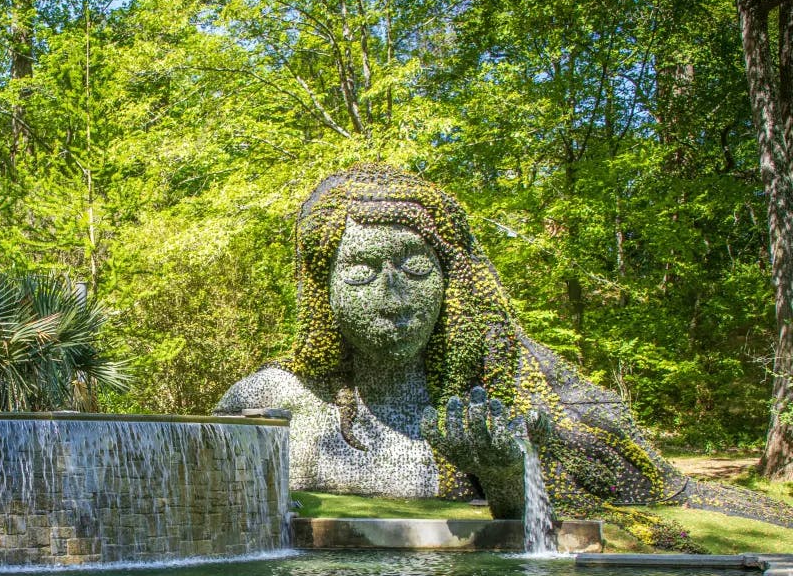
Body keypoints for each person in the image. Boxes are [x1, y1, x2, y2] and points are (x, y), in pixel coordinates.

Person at [215, 164, 789, 533]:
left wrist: (503, 473)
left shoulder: (501, 391)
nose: (392, 296)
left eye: (415, 269)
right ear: (323, 288)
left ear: (451, 282)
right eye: (362, 271)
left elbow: (540, 528)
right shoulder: (267, 398)